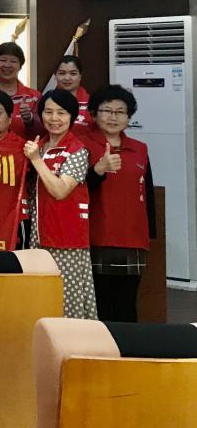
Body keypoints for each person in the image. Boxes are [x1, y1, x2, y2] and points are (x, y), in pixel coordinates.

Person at [23, 89, 98, 319]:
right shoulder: (39, 145)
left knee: (67, 300)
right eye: (48, 112)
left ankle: (73, 342)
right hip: (39, 237)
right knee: (41, 299)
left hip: (66, 237)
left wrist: (35, 160)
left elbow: (60, 191)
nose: (54, 118)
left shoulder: (77, 150)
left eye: (62, 113)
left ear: (72, 117)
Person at [82, 85, 155, 322]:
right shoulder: (82, 145)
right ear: (94, 114)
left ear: (128, 117)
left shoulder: (139, 149)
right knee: (101, 305)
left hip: (133, 238)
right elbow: (75, 190)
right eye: (107, 111)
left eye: (120, 112)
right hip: (96, 235)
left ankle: (126, 346)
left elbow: (147, 193)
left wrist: (150, 233)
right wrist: (97, 170)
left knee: (127, 304)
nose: (113, 117)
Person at [0, 41, 40, 138]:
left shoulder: (34, 96)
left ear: (20, 66)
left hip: (24, 147)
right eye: (3, 60)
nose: (7, 65)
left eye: (13, 61)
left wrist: (30, 119)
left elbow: (42, 132)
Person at [54, 55, 92, 129]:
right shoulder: (46, 101)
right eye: (62, 73)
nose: (67, 78)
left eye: (73, 73)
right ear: (55, 75)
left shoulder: (92, 102)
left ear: (80, 76)